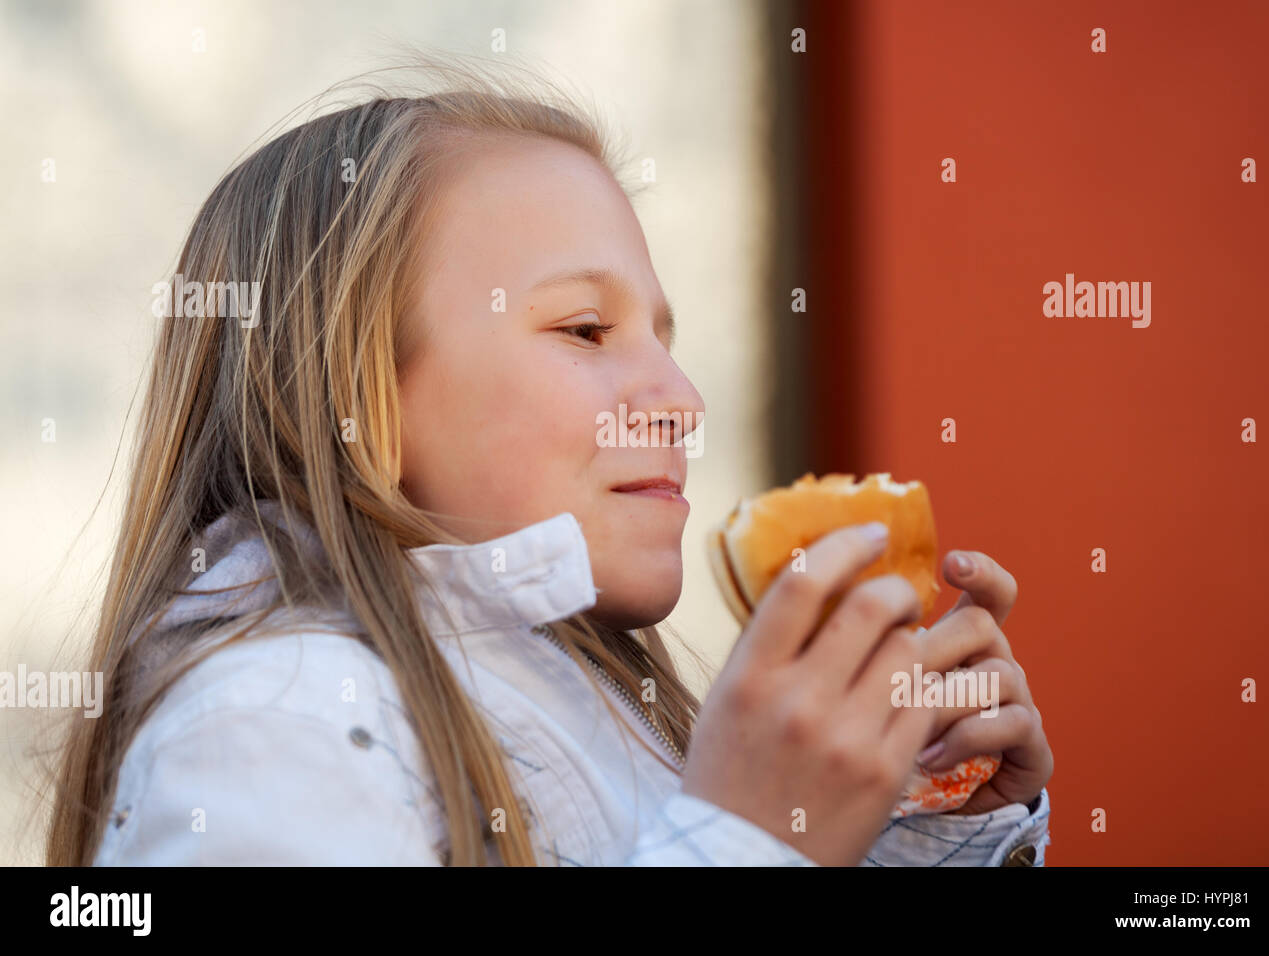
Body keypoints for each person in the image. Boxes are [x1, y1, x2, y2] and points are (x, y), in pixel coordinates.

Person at [45, 57, 1052, 866]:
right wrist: (747, 840)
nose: (683, 401)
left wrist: (920, 817)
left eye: (663, 337)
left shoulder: (596, 698)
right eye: (583, 328)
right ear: (356, 394)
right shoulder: (274, 718)